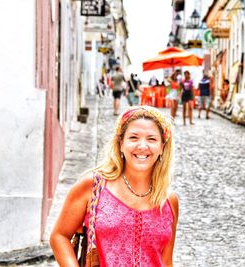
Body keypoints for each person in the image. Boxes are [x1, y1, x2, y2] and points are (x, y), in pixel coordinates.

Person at [50, 106, 179, 266]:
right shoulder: (92, 187)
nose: (142, 146)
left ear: (162, 147)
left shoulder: (168, 200)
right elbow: (59, 236)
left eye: (152, 139)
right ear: (121, 143)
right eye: (133, 138)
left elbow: (166, 261)